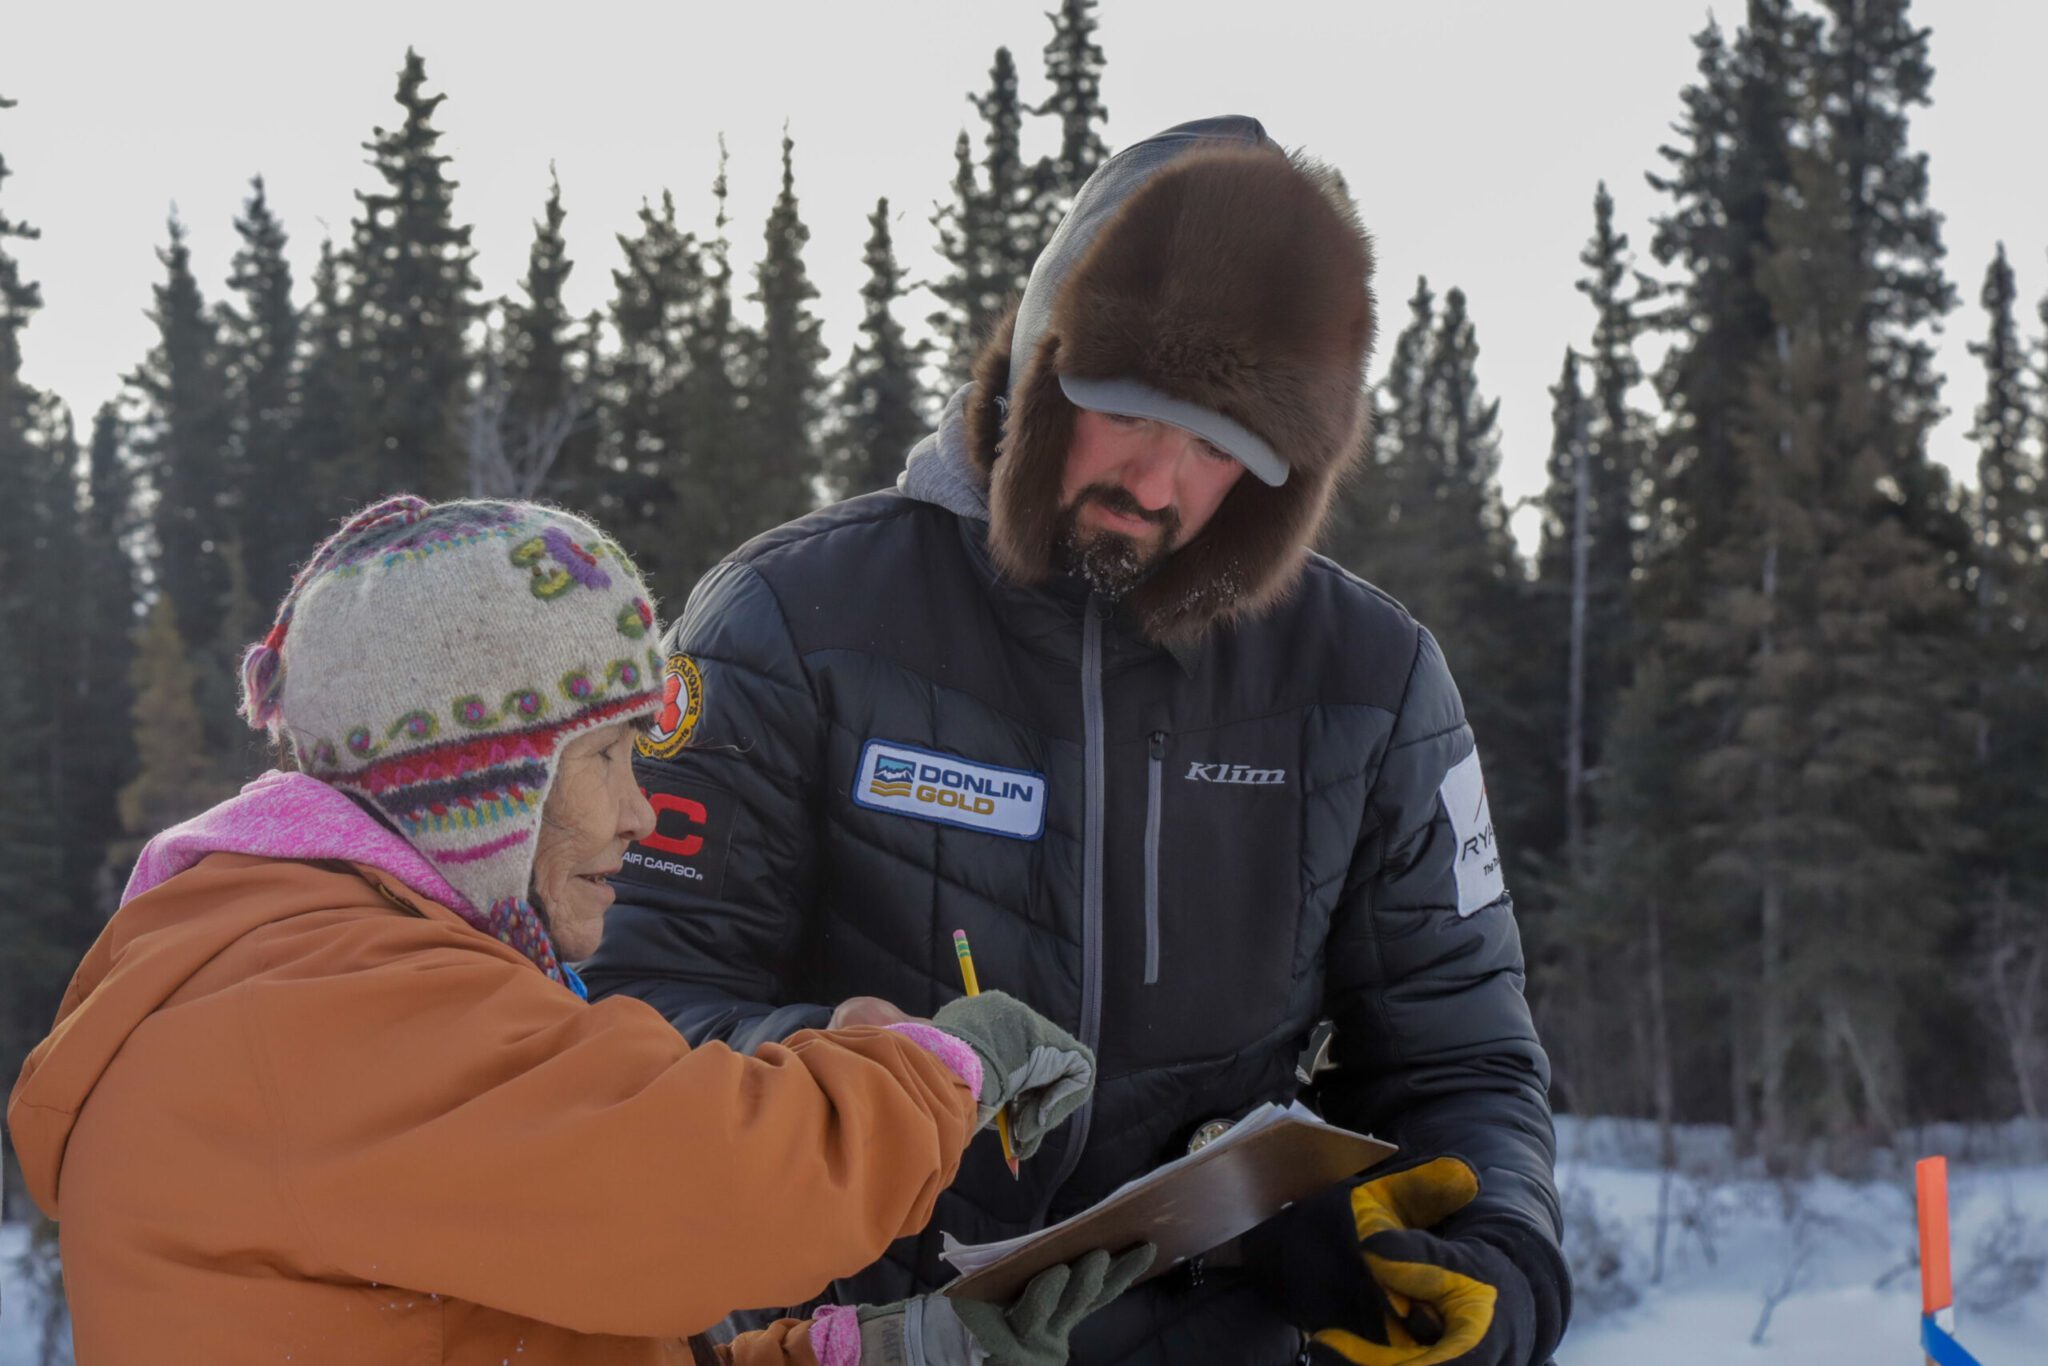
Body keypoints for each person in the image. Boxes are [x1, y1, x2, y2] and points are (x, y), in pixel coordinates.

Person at [585, 116, 1571, 1366]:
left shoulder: (1366, 679)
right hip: (852, 1335)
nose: (1157, 485)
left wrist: (1495, 1258)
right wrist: (853, 1070)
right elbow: (633, 1013)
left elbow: (1460, 1052)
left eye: (1221, 447)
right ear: (1042, 369)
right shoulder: (790, 621)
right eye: (1132, 411)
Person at [5, 495, 1148, 1365]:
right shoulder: (303, 1002)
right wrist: (934, 1071)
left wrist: (852, 1353)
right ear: (477, 788)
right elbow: (713, 1190)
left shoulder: (324, 972)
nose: (641, 812)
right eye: (602, 758)